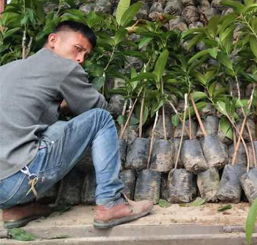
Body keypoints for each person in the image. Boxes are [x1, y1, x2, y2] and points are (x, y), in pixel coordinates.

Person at [0, 21, 153, 229]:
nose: (80, 59)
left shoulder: (9, 69)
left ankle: (14, 210)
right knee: (100, 118)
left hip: (4, 186)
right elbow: (97, 106)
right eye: (78, 49)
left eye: (85, 55)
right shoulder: (63, 67)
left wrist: (59, 106)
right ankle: (111, 202)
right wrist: (71, 101)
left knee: (51, 130)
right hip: (18, 180)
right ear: (53, 40)